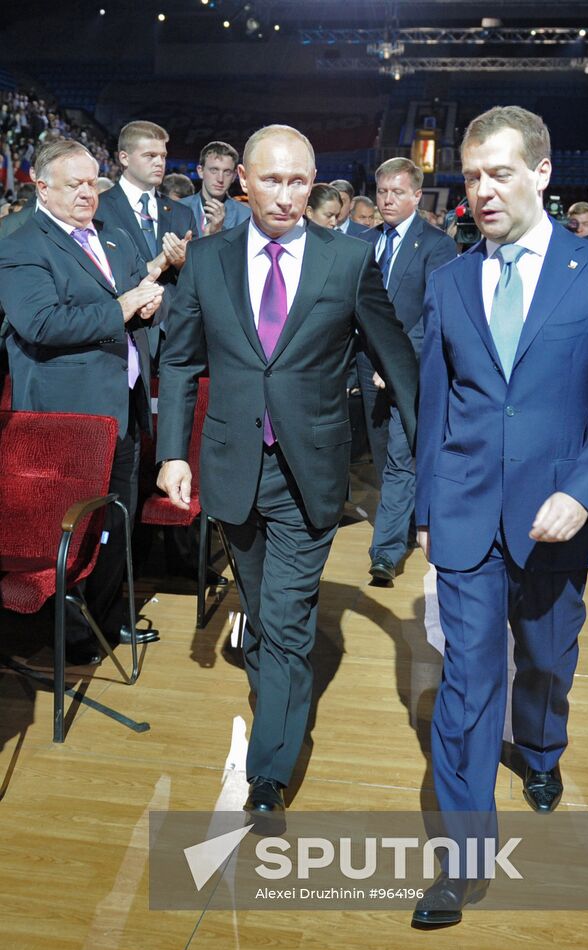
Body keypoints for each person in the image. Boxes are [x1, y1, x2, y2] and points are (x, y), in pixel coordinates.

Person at [412, 106, 588, 929]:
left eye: (499, 172)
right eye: (472, 175)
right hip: (468, 516)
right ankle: (462, 860)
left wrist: (582, 492)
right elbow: (432, 406)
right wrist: (422, 512)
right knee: (467, 685)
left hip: (558, 516)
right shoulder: (446, 281)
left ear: (543, 174)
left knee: (545, 661)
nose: (481, 190)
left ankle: (542, 750)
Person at [155, 124, 418, 828]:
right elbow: (180, 361)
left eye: (298, 180)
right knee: (262, 609)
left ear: (314, 183)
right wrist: (172, 452)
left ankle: (270, 767)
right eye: (270, 179)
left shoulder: (347, 261)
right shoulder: (207, 261)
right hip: (233, 468)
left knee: (287, 618)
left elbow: (397, 360)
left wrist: (432, 460)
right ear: (242, 178)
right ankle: (275, 691)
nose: (284, 194)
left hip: (312, 471)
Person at [0, 139, 163, 665]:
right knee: (68, 528)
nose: (88, 193)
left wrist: (150, 303)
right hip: (66, 419)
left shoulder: (111, 236)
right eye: (75, 184)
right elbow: (41, 323)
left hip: (123, 406)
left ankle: (106, 618)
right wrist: (121, 308)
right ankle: (72, 636)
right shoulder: (21, 243)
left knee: (117, 520)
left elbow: (139, 300)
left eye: (94, 182)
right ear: (41, 187)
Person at [356, 156, 456, 583]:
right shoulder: (365, 242)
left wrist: (397, 362)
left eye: (398, 191)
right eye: (382, 191)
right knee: (383, 456)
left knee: (400, 457)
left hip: (408, 368)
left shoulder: (437, 245)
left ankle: (386, 551)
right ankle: (409, 518)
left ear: (418, 195)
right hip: (363, 365)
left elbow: (435, 315)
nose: (388, 199)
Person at [95, 120, 197, 367]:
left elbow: (200, 278)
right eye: (150, 155)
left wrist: (184, 263)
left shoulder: (182, 213)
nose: (160, 162)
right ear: (124, 157)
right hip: (123, 335)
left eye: (162, 155)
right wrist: (160, 262)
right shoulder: (99, 208)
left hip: (174, 336)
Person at [180, 140, 252, 236]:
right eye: (214, 170)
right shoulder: (179, 209)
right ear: (200, 171)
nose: (220, 179)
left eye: (227, 172)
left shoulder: (246, 215)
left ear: (234, 176)